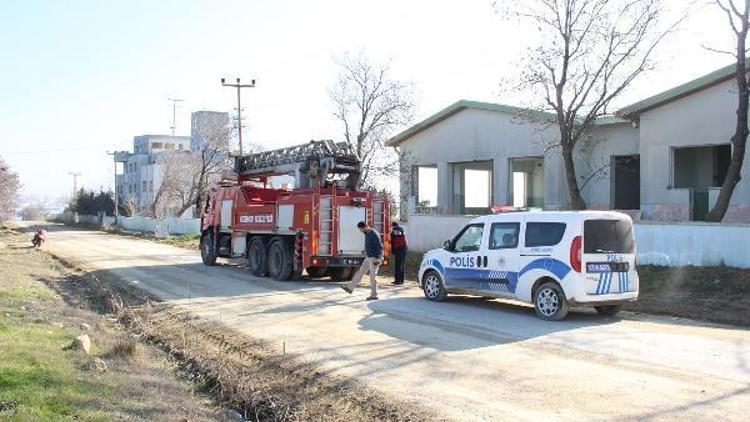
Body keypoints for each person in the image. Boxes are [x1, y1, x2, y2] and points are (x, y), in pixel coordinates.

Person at [341, 221, 383, 300]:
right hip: (368, 257)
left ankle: (374, 295)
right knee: (360, 272)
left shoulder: (374, 234)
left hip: (374, 258)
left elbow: (380, 246)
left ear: (364, 227)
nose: (360, 231)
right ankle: (350, 288)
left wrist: (379, 258)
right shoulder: (366, 234)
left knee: (372, 277)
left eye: (361, 229)